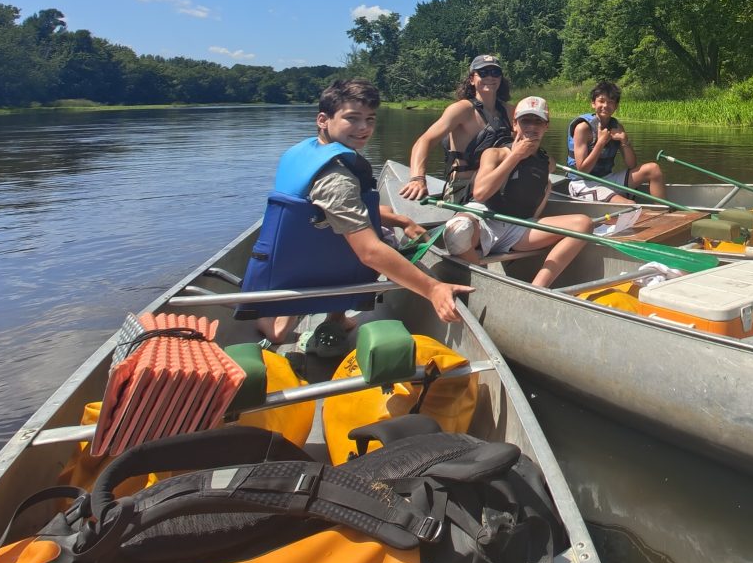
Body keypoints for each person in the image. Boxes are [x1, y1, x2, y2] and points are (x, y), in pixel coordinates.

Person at [241, 78, 471, 345]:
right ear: (323, 120)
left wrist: (402, 218)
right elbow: (369, 252)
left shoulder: (306, 151)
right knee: (384, 241)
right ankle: (291, 324)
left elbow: (339, 210)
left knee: (374, 225)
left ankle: (323, 319)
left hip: (283, 261)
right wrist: (433, 288)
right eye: (352, 118)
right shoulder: (337, 178)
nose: (364, 128)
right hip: (310, 268)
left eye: (370, 119)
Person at [449, 95, 598, 289]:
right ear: (515, 125)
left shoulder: (547, 162)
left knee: (583, 224)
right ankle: (483, 285)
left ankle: (537, 288)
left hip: (518, 228)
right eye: (526, 120)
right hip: (486, 218)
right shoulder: (495, 154)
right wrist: (516, 156)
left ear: (546, 126)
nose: (532, 126)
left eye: (538, 121)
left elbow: (544, 184)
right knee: (457, 232)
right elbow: (480, 193)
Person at [399, 54, 512, 204]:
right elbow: (425, 141)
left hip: (501, 185)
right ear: (472, 79)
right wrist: (417, 178)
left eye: (495, 73)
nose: (490, 77)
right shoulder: (461, 110)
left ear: (500, 79)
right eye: (483, 73)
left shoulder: (510, 111)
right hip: (464, 189)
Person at [566, 80, 667, 204]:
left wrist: (625, 141)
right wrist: (600, 143)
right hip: (583, 183)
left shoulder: (617, 127)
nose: (605, 105)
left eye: (610, 102)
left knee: (653, 169)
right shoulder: (583, 128)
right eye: (601, 101)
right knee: (630, 205)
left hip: (607, 179)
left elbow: (631, 165)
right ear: (593, 103)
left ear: (616, 106)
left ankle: (662, 211)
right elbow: (583, 170)